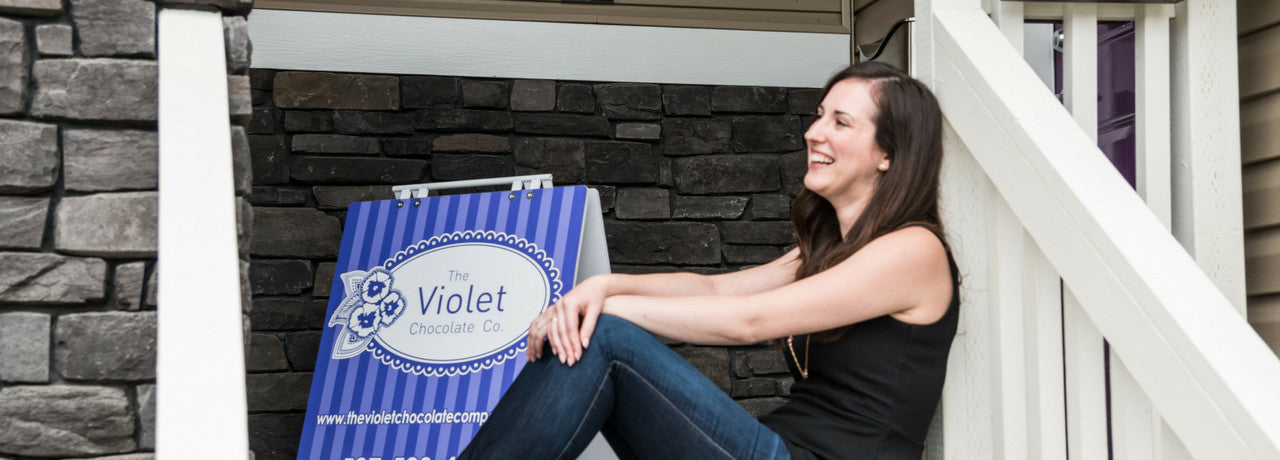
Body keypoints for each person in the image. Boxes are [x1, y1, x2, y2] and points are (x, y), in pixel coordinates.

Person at [460, 61, 958, 460]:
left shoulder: (913, 250)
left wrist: (607, 314)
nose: (813, 132)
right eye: (820, 113)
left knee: (604, 339)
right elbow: (717, 289)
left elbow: (749, 320)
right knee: (600, 332)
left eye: (841, 122)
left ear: (889, 155)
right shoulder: (828, 251)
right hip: (777, 442)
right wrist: (602, 289)